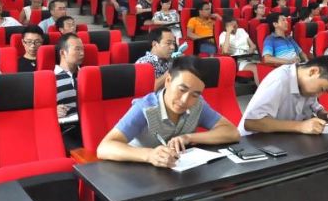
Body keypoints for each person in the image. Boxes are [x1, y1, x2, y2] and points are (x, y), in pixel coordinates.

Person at [96, 56, 240, 167]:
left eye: (195, 94)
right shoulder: (145, 107)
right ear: (168, 81)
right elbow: (104, 147)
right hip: (140, 175)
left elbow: (232, 132)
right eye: (182, 89)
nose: (185, 100)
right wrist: (150, 155)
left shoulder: (198, 104)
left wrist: (189, 138)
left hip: (176, 175)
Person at [238, 56, 328, 135]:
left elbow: (315, 108)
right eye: (322, 89)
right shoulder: (280, 80)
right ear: (313, 71)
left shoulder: (306, 85)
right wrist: (300, 126)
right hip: (255, 144)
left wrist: (327, 115)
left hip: (283, 140)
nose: (320, 95)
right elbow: (251, 122)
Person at [219, 16, 258, 82]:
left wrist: (251, 50)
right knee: (256, 68)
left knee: (265, 66)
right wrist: (228, 33)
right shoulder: (223, 35)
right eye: (232, 26)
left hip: (249, 55)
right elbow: (225, 51)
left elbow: (253, 45)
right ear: (226, 27)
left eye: (236, 25)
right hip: (238, 60)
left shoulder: (241, 30)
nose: (235, 27)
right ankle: (262, 88)